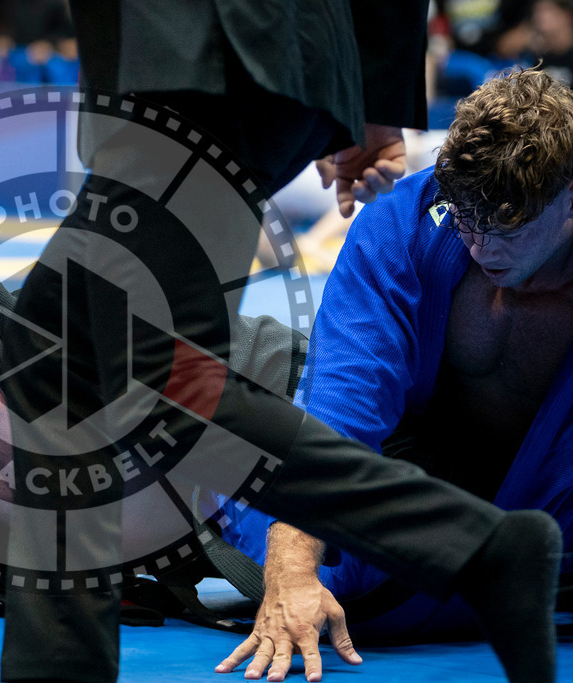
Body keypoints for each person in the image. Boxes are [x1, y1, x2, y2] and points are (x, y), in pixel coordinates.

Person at [0, 3, 563, 683]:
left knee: (148, 384)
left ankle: (480, 548)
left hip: (199, 59)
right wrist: (376, 101)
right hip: (256, 65)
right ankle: (58, 666)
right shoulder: (406, 224)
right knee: (68, 359)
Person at [220, 65, 573, 651]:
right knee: (323, 573)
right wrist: (293, 566)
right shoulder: (404, 222)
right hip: (399, 460)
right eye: (467, 219)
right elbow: (341, 412)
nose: (481, 246)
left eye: (508, 229)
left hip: (544, 497)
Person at [0, 206, 307, 624]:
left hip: (294, 420)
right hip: (207, 542)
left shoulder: (60, 335)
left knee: (340, 586)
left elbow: (261, 366)